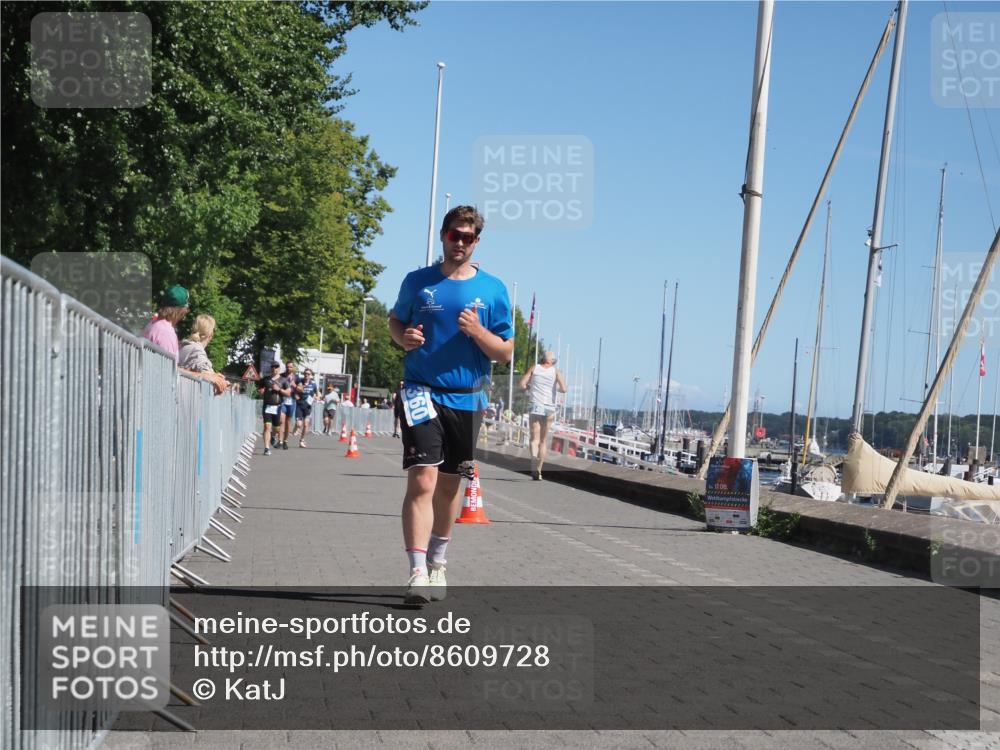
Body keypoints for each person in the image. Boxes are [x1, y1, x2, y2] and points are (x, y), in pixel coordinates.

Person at [388, 205, 513, 605]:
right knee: (422, 480)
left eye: (468, 237)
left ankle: (438, 561)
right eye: (454, 235)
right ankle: (416, 572)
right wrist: (403, 337)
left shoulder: (493, 289)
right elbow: (395, 321)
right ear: (443, 235)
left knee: (447, 486)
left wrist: (478, 332)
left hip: (467, 398)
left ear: (477, 242)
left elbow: (505, 352)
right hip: (420, 391)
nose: (460, 243)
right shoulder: (418, 282)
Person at [142, 285, 226, 395]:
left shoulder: (153, 325)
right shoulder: (165, 332)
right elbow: (169, 371)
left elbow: (167, 367)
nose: (187, 311)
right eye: (186, 307)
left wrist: (207, 375)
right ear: (181, 310)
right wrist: (203, 376)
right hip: (156, 395)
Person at [520, 351, 567, 480]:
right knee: (543, 440)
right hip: (549, 407)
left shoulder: (535, 368)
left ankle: (533, 460)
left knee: (534, 439)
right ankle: (539, 470)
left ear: (543, 359)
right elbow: (564, 389)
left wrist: (529, 387)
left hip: (535, 405)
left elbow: (522, 384)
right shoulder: (556, 371)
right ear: (552, 361)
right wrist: (554, 388)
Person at [178, 314, 229, 396]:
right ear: (211, 334)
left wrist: (213, 374)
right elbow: (204, 372)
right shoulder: (197, 350)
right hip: (185, 397)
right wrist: (220, 380)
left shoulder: (183, 346)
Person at [257, 363, 289, 456]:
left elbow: (288, 393)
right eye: (273, 367)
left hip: (277, 407)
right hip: (267, 406)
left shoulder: (283, 380)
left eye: (276, 367)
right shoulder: (265, 379)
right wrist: (261, 391)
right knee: (267, 427)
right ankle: (266, 448)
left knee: (276, 428)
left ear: (279, 369)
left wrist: (279, 390)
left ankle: (273, 436)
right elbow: (260, 389)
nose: (274, 369)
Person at [295, 368, 319, 447]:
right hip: (299, 405)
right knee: (299, 424)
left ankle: (302, 440)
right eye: (305, 374)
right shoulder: (300, 382)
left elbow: (318, 394)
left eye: (308, 374)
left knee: (306, 424)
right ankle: (296, 426)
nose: (306, 375)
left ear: (311, 375)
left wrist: (317, 398)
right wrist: (295, 395)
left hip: (308, 406)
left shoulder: (313, 384)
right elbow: (294, 391)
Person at [278, 362, 299, 450]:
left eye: (290, 367)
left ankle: (285, 441)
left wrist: (295, 385)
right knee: (281, 421)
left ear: (293, 368)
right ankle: (280, 441)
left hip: (292, 401)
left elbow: (301, 389)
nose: (288, 368)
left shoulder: (296, 377)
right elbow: (277, 385)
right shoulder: (281, 376)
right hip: (282, 400)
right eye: (287, 367)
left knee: (288, 422)